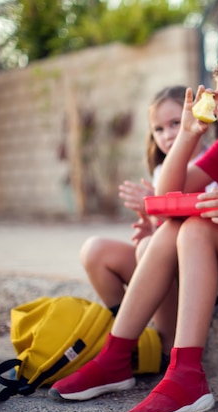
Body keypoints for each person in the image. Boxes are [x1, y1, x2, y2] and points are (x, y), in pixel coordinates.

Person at [48, 51, 218, 412]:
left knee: (195, 225)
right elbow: (165, 197)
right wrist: (188, 135)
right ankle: (118, 355)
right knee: (178, 222)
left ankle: (183, 372)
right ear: (215, 107)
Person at [79, 86, 207, 365]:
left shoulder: (210, 163)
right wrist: (150, 222)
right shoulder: (162, 171)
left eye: (175, 123)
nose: (168, 134)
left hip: (201, 271)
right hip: (167, 261)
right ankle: (130, 339)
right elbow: (161, 231)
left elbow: (196, 225)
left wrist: (155, 211)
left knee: (148, 247)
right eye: (158, 129)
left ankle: (166, 345)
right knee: (95, 250)